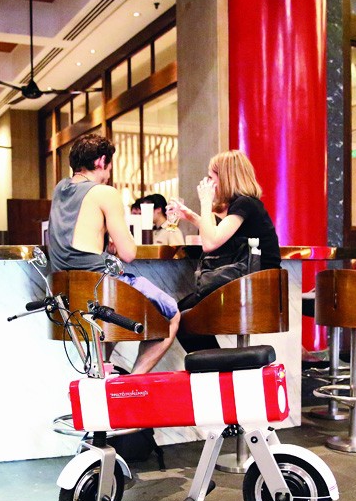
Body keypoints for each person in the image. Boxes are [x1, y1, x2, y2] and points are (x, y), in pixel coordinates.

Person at [47, 133, 179, 374]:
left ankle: (103, 375)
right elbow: (128, 253)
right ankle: (130, 385)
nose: (109, 173)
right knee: (171, 313)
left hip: (67, 296)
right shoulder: (105, 193)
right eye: (109, 166)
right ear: (101, 161)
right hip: (100, 291)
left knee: (109, 322)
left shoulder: (60, 189)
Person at [169, 149, 280, 352]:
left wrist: (205, 202)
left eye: (211, 178)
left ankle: (218, 366)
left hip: (254, 287)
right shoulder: (246, 204)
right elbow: (217, 232)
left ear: (225, 178)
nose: (209, 183)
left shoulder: (245, 204)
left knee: (180, 317)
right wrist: (192, 216)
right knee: (181, 315)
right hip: (251, 283)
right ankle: (219, 365)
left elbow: (210, 242)